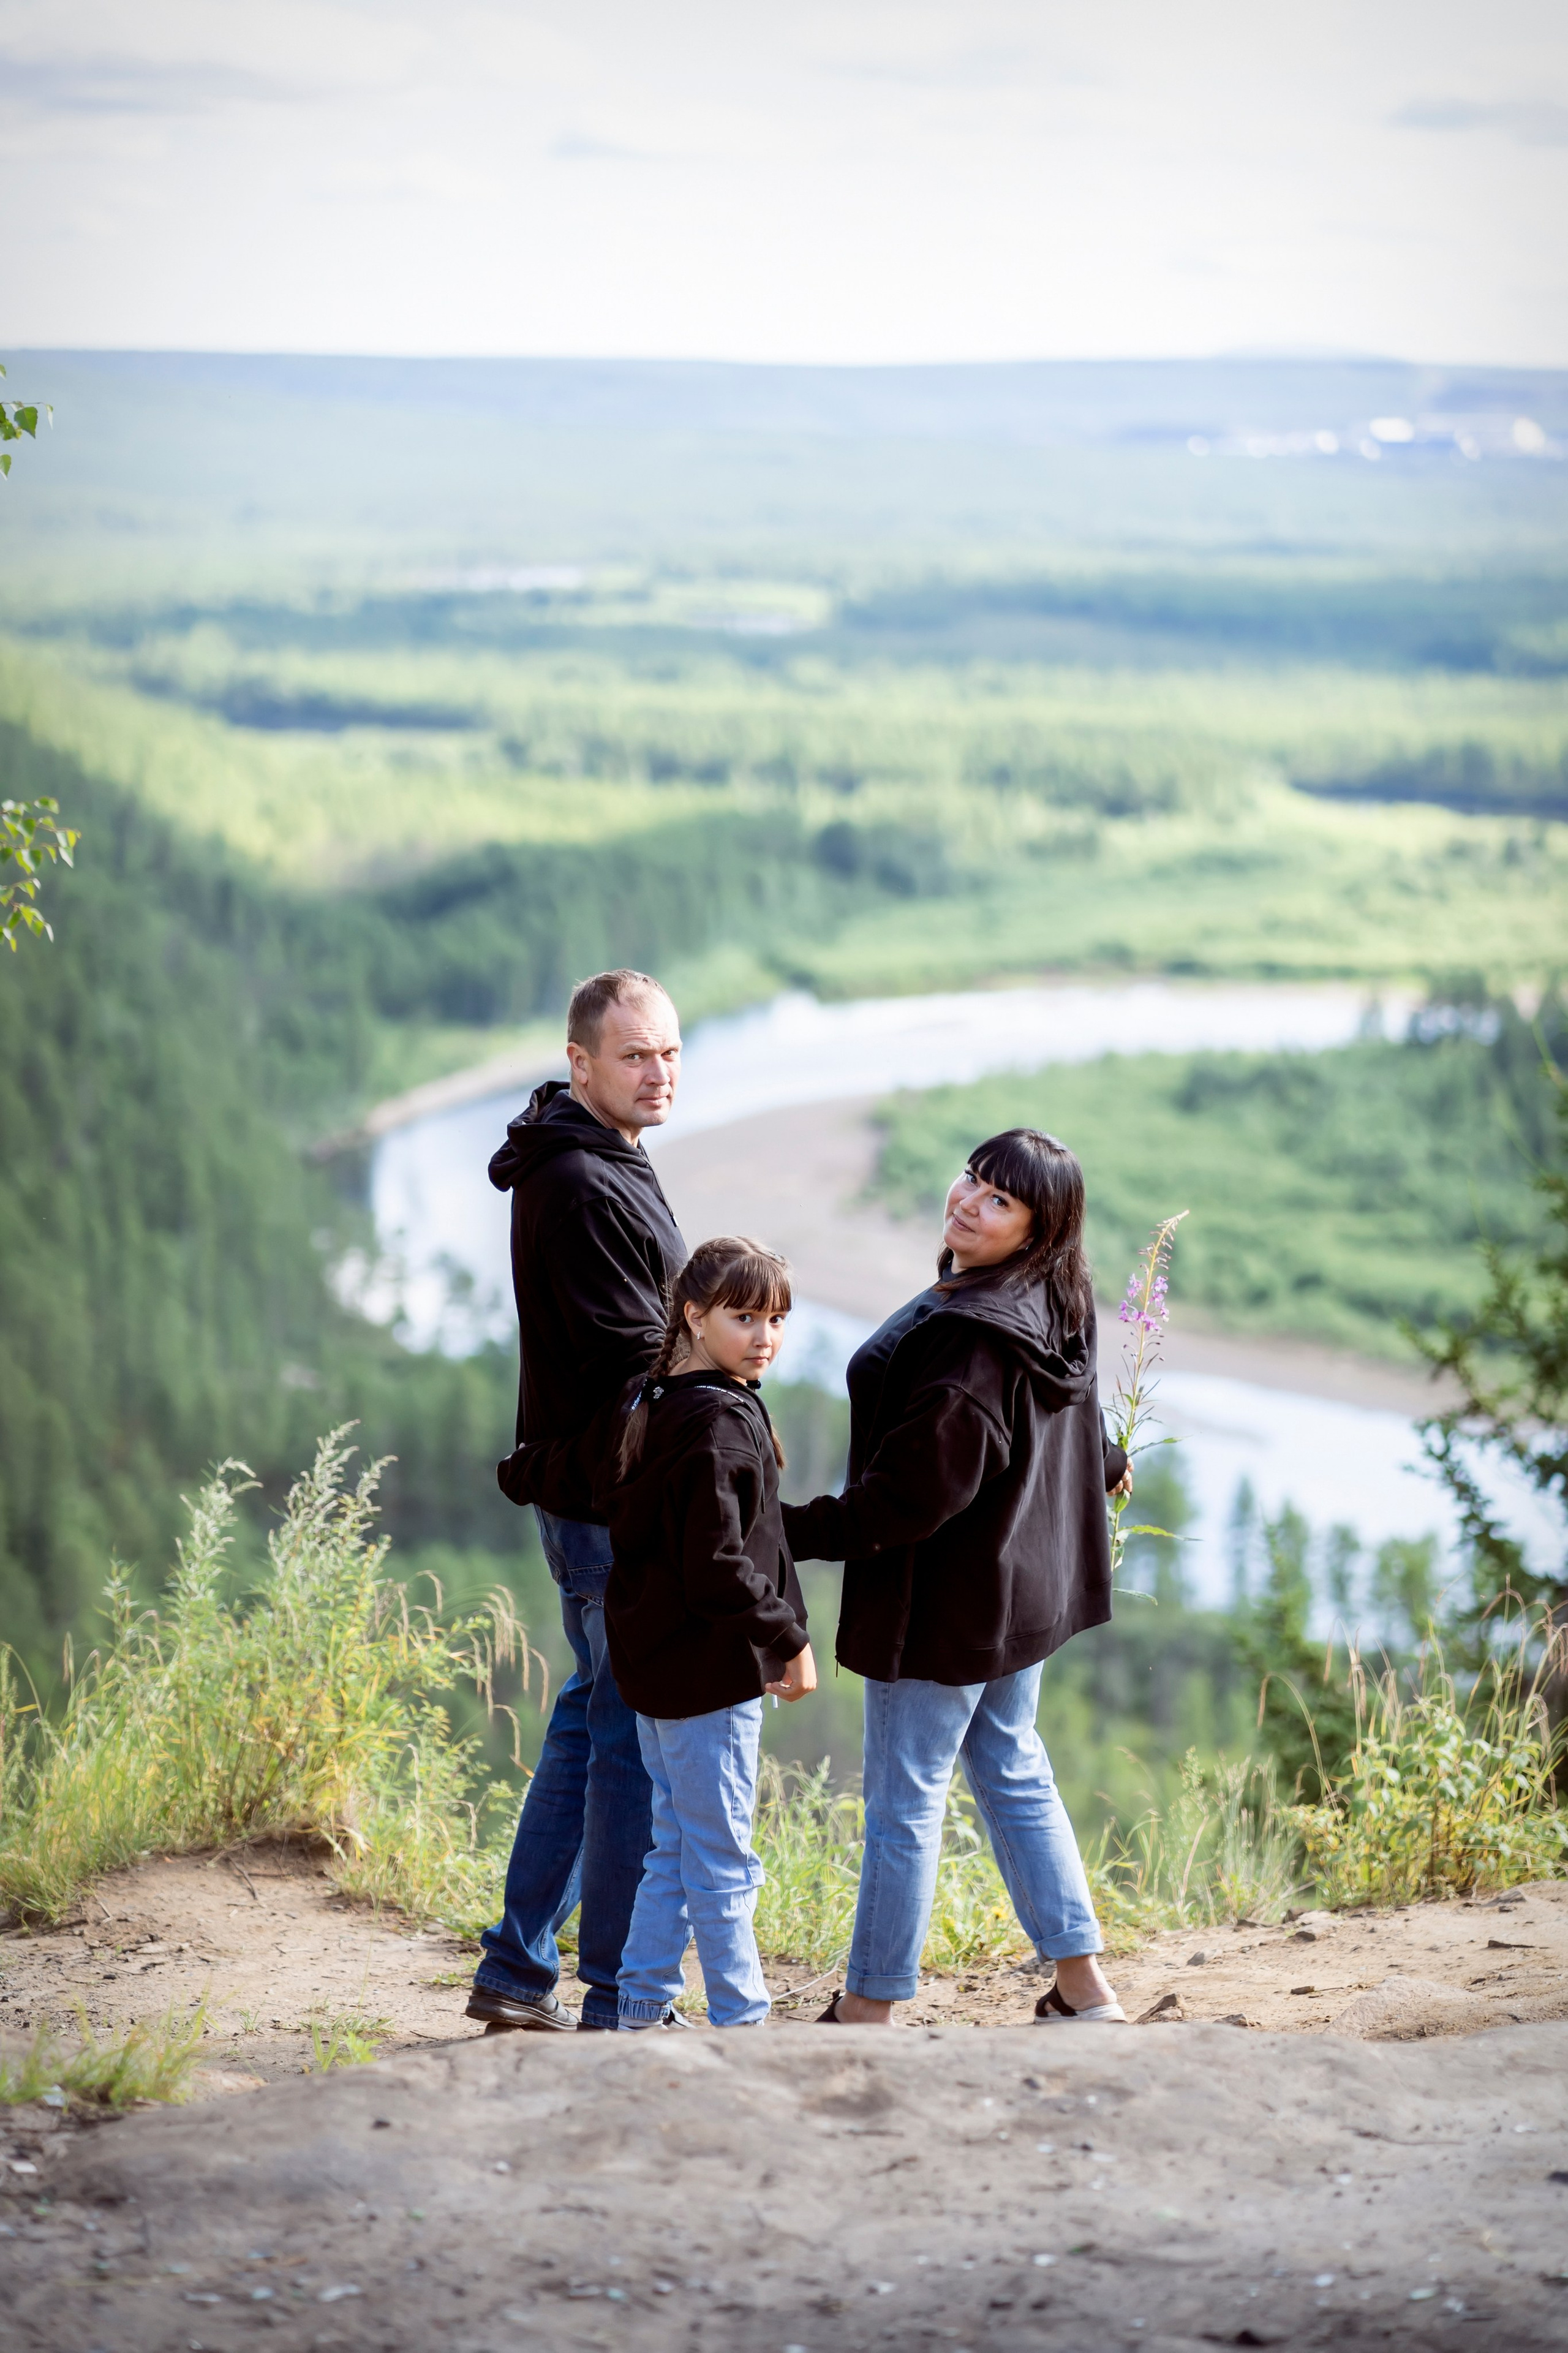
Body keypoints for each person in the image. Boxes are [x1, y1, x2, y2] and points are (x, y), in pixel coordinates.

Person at [783, 1127, 1133, 2028]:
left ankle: (866, 2010)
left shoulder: (973, 1341)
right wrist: (1102, 1456)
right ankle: (1085, 1991)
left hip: (943, 1607)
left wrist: (781, 1529)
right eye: (973, 1180)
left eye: (1000, 1199)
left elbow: (912, 1496)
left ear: (1039, 1228)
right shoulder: (1056, 1297)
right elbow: (1067, 1401)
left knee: (906, 1798)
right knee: (1012, 1764)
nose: (969, 1202)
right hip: (1020, 1589)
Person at [468, 970, 686, 2035]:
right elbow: (631, 1358)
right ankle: (615, 1994)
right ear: (582, 1063)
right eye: (637, 1055)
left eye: (672, 1053)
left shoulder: (604, 1153)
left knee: (591, 1714)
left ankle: (517, 1967)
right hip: (609, 1494)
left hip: (596, 1484)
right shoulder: (587, 1185)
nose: (659, 1073)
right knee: (627, 1735)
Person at [602, 1236, 816, 2031]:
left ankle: (641, 2010)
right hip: (706, 1678)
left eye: (778, 1318)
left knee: (676, 1850)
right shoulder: (719, 1423)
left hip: (660, 1674)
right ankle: (743, 2023)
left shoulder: (660, 1400)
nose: (765, 1335)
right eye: (745, 1316)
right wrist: (788, 1635)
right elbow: (718, 1562)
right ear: (694, 1315)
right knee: (725, 1860)